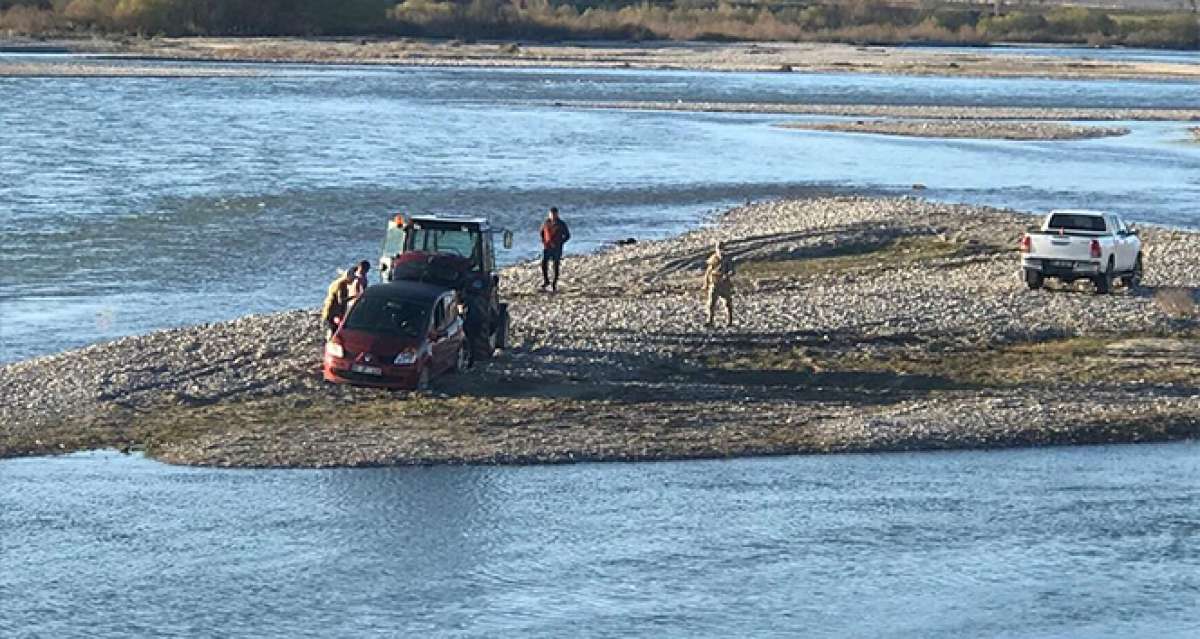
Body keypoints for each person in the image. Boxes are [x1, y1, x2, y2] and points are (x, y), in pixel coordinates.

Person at [703, 241, 735, 328]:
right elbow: (708, 271)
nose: (720, 251)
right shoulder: (712, 259)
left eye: (722, 249)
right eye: (719, 249)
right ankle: (710, 320)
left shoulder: (728, 259)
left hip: (725, 284)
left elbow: (732, 271)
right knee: (711, 303)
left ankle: (730, 321)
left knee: (727, 303)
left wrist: (727, 275)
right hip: (714, 283)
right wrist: (706, 283)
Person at [321, 267, 357, 341]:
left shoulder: (336, 282)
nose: (353, 281)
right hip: (333, 312)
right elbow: (341, 301)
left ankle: (329, 343)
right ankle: (331, 345)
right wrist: (355, 297)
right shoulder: (342, 285)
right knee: (333, 330)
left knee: (331, 329)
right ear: (349, 277)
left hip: (328, 310)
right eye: (353, 278)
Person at [539, 206, 570, 292]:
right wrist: (544, 241)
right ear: (549, 214)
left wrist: (561, 242)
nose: (552, 216)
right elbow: (541, 232)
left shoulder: (561, 224)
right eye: (551, 214)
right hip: (547, 247)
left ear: (557, 214)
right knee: (544, 263)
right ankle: (546, 281)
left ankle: (554, 283)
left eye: (554, 214)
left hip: (557, 248)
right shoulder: (546, 223)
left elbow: (567, 235)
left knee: (555, 265)